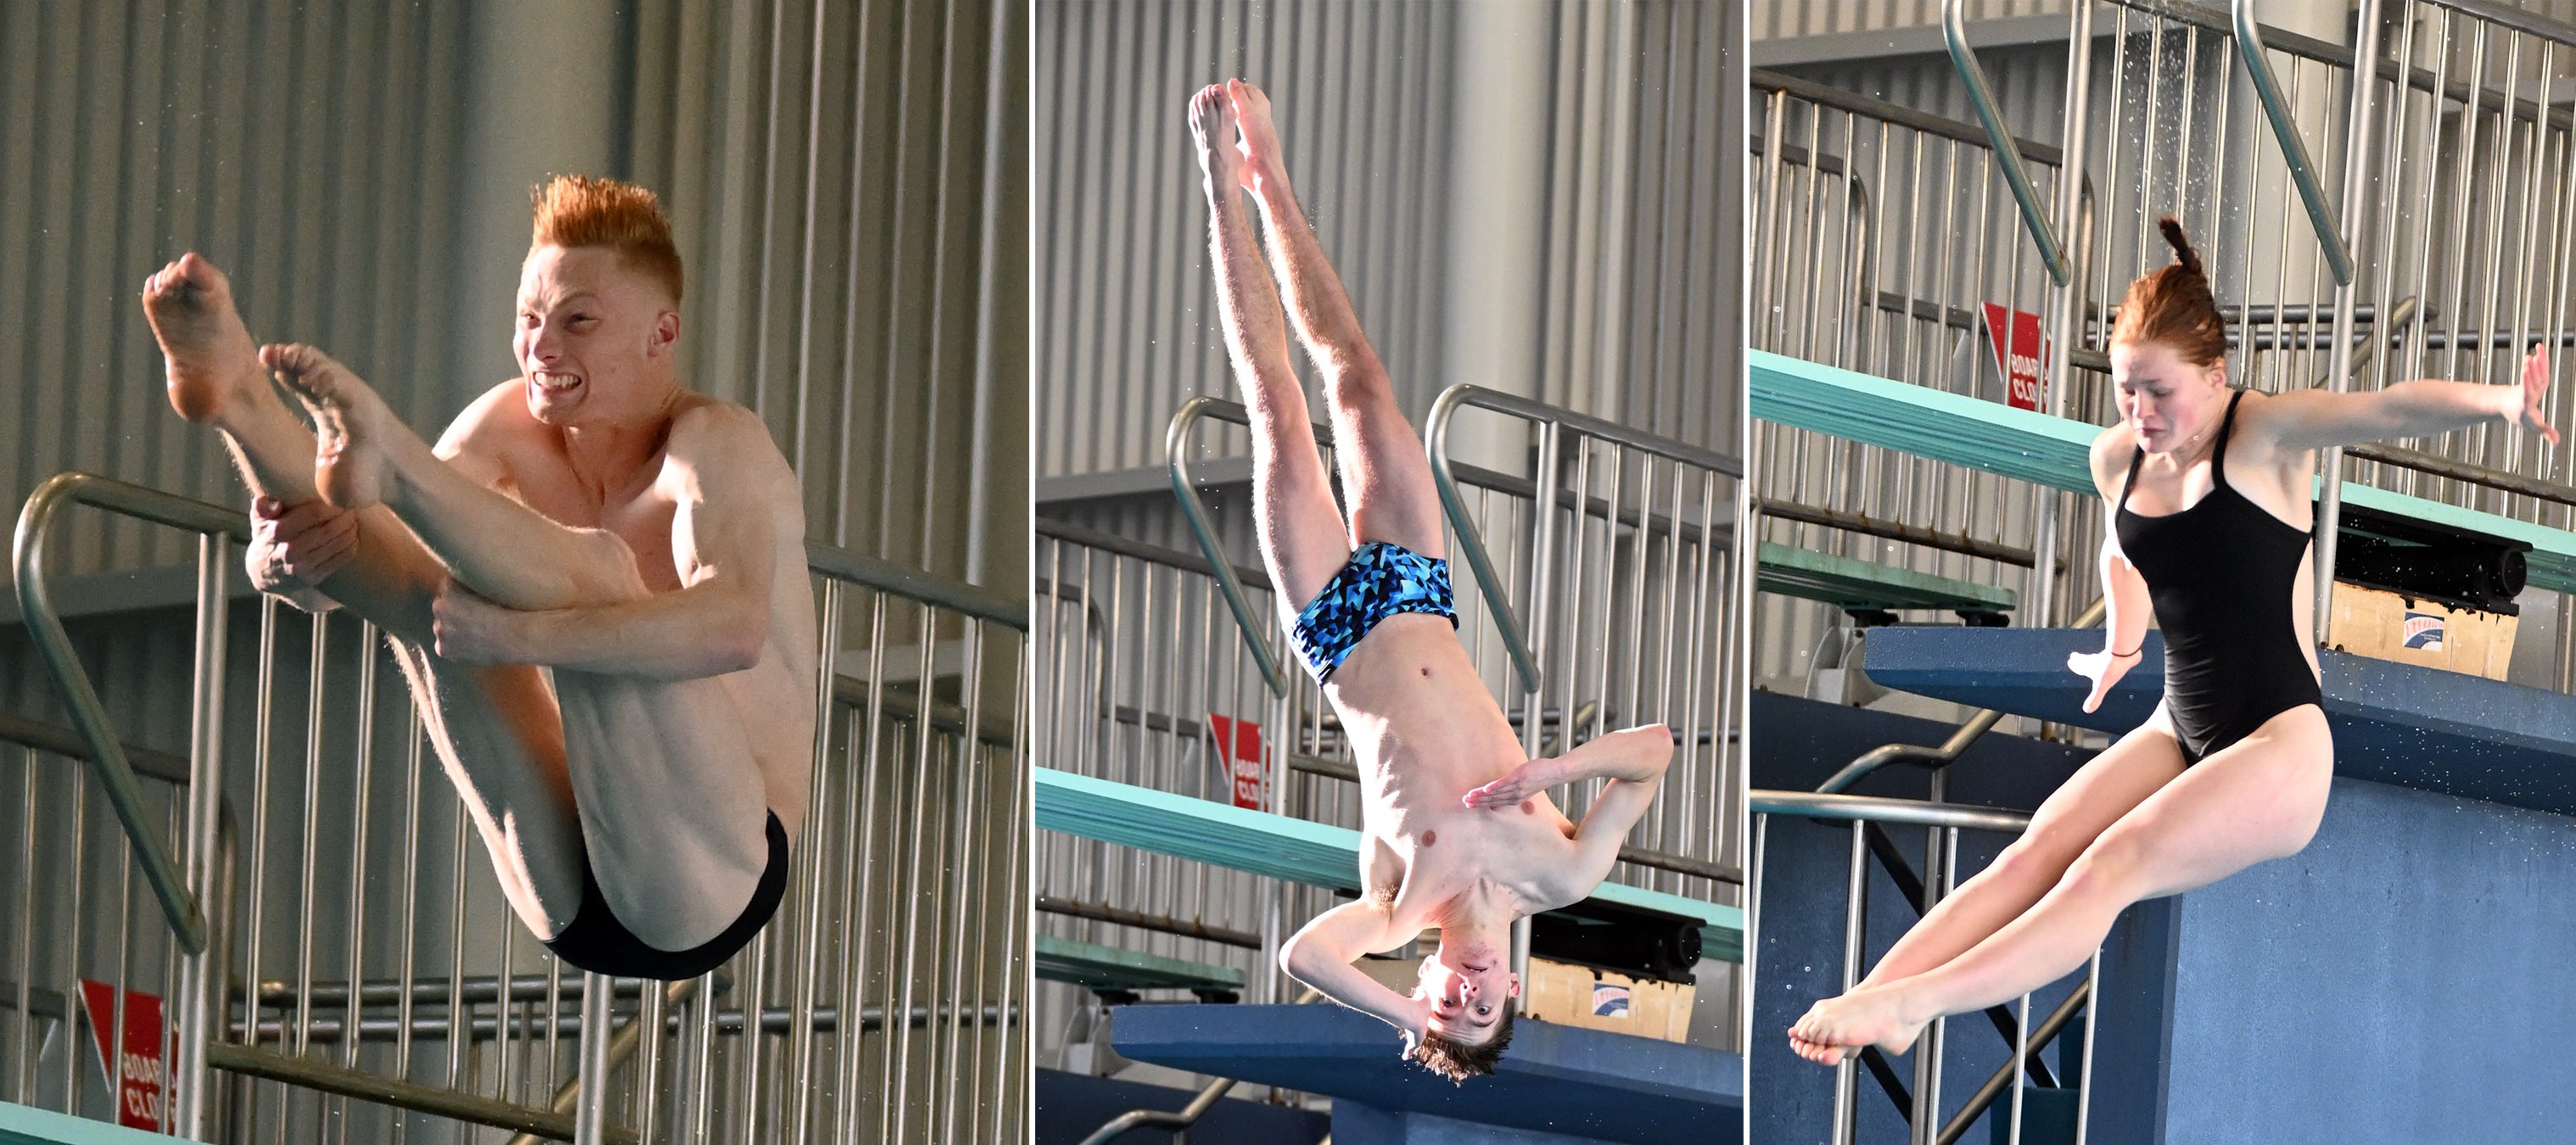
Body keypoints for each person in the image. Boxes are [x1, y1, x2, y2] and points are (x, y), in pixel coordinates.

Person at [1787, 217, 2559, 1064]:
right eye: (2126, 389)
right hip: (2176, 725)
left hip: (2278, 743)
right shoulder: (2115, 457)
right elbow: (2127, 556)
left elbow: (2384, 408)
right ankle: (1870, 998)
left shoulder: (2263, 434)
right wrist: (2121, 646)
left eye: (2161, 391)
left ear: (2218, 375)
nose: (2141, 411)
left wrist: (2500, 402)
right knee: (2037, 850)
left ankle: (1916, 1005)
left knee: (2107, 868)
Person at [139, 176, 819, 981]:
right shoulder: (507, 426)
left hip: (712, 878)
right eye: (529, 321)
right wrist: (274, 564)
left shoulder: (715, 446)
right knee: (430, 599)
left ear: (661, 334)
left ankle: (388, 457)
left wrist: (528, 637)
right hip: (564, 881)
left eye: (578, 321)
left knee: (595, 570)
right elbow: (349, 567)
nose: (543, 347)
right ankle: (241, 403)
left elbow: (732, 627)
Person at [1189, 78, 1676, 1082]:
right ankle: (1271, 181)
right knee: (1358, 374)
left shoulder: (1395, 905)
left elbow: (1301, 956)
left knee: (1277, 408)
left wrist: (1403, 1012)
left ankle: (1217, 187)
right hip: (1419, 593)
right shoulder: (1564, 869)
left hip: (1335, 621)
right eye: (1483, 1007)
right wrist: (1553, 775)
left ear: (1427, 987)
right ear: (1510, 993)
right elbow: (1657, 754)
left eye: (1448, 1004)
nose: (1468, 991)